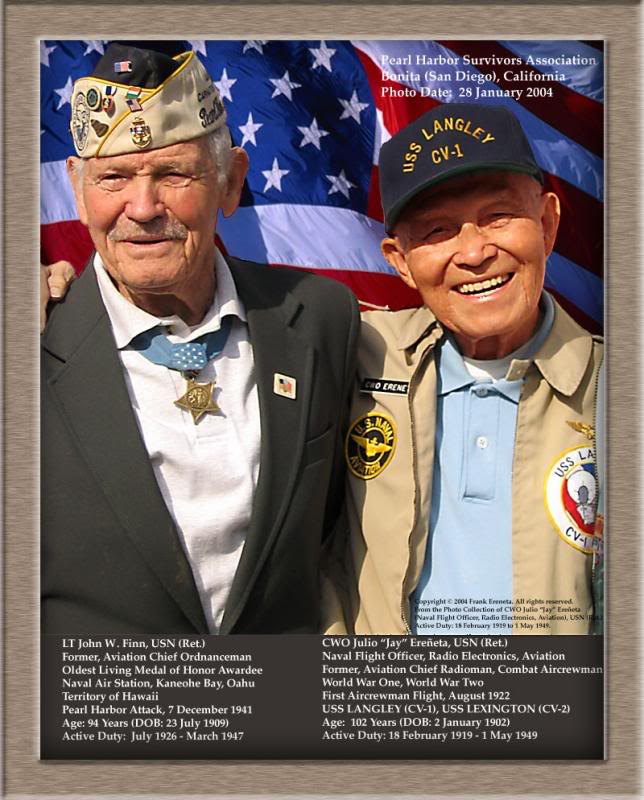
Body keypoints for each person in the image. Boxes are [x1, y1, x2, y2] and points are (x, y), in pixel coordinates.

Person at [41, 44, 359, 635]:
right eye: (113, 177)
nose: (142, 208)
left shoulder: (320, 317)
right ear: (79, 191)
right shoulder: (31, 343)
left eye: (172, 174)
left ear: (230, 183)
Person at [327, 103, 604, 635]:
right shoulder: (351, 356)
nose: (474, 251)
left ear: (547, 223)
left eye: (499, 216)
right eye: (437, 231)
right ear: (400, 261)